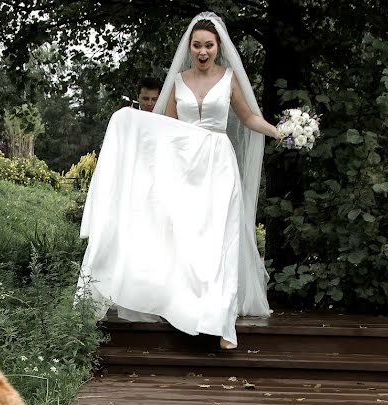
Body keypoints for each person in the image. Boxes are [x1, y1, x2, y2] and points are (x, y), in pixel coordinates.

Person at [77, 12, 280, 350]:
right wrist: (131, 124)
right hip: (183, 166)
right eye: (197, 46)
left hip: (217, 164)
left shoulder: (229, 79)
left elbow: (248, 118)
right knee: (183, 238)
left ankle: (223, 322)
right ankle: (182, 305)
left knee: (219, 240)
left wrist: (279, 131)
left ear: (218, 47)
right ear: (190, 48)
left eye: (209, 46)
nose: (203, 52)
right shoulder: (179, 81)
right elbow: (164, 126)